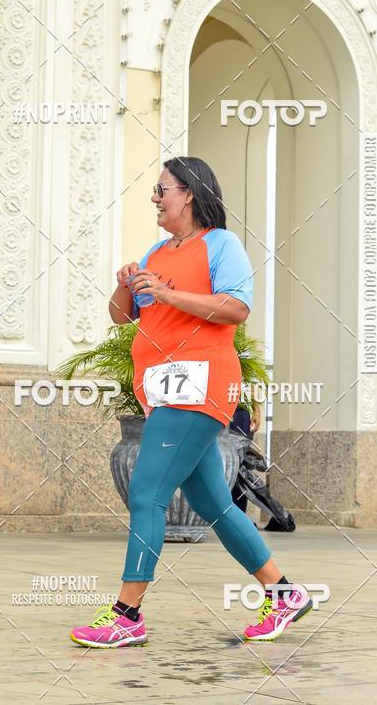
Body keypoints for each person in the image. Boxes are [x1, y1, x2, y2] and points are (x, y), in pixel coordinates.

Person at [69, 157, 312, 648]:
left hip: (202, 386)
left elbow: (236, 308)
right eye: (154, 191)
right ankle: (283, 594)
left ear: (191, 193)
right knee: (215, 505)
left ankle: (127, 613)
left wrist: (167, 293)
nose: (155, 198)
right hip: (166, 390)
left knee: (146, 494)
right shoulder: (158, 251)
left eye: (162, 189)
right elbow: (122, 316)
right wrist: (127, 283)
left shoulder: (221, 245)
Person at [229, 398, 261, 514]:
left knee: (239, 467)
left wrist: (256, 411)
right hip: (214, 410)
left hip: (238, 413)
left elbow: (251, 383)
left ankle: (238, 514)